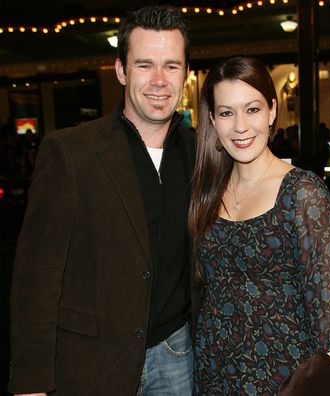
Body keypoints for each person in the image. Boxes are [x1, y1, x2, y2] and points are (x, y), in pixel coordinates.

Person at [8, 5, 195, 396]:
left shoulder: (200, 152)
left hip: (176, 353)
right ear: (121, 71)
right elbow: (35, 280)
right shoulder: (71, 151)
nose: (159, 80)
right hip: (93, 361)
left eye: (171, 66)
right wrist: (31, 384)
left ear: (186, 73)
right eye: (144, 65)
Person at [189, 56, 330, 395]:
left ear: (272, 111)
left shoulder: (303, 193)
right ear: (212, 120)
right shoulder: (207, 191)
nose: (240, 126)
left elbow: (329, 323)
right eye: (227, 113)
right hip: (214, 374)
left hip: (285, 381)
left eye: (252, 109)